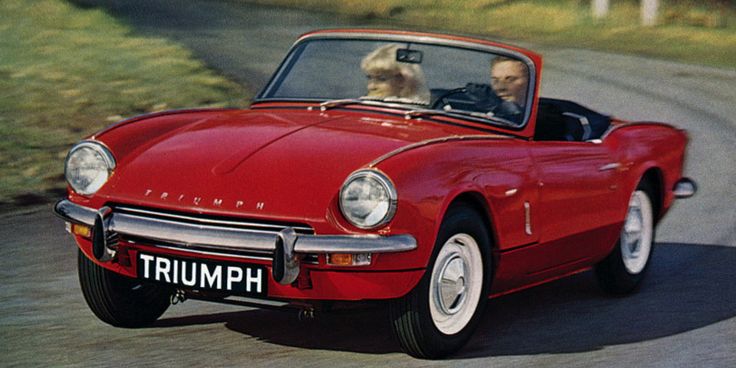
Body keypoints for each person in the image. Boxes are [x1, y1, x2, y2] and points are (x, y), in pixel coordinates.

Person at [360, 44, 430, 105]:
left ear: (402, 80)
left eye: (381, 79)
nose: (371, 87)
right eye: (369, 78)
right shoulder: (362, 104)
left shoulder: (416, 109)